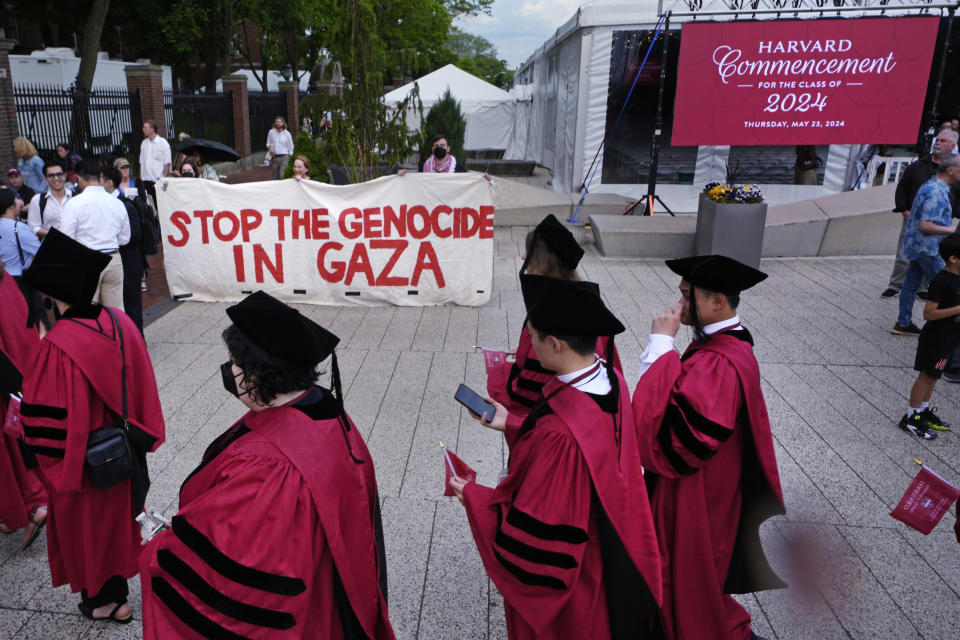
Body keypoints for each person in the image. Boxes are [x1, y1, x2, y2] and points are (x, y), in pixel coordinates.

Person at [140, 291, 396, 639]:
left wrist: (162, 550)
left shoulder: (268, 466)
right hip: (331, 580)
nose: (229, 370)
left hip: (310, 611)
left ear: (259, 375)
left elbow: (244, 573)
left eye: (234, 362)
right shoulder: (325, 408)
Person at [450, 274, 661, 639]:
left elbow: (535, 540)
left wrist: (474, 496)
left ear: (556, 344)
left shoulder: (558, 436)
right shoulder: (612, 381)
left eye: (532, 336)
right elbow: (589, 448)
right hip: (616, 545)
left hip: (580, 578)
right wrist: (512, 424)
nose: (528, 345)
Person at [632, 254, 785, 640]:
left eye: (687, 296)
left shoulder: (718, 362)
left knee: (686, 566)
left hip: (697, 487)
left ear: (717, 301)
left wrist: (661, 345)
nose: (680, 305)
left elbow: (678, 442)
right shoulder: (727, 346)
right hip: (717, 477)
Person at [20, 228, 165, 624]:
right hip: (125, 450)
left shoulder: (57, 346)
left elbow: (43, 422)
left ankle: (104, 602)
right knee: (120, 519)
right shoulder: (120, 322)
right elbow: (142, 385)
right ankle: (120, 595)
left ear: (51, 296)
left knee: (90, 529)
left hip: (84, 462)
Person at [486, 214, 621, 418]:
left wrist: (532, 350)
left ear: (543, 260)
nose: (523, 258)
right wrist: (526, 347)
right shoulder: (584, 300)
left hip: (546, 414)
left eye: (529, 253)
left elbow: (529, 395)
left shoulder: (551, 310)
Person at [0, 265, 47, 550]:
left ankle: (29, 507)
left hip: (6, 379)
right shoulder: (4, 277)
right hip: (18, 377)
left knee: (8, 454)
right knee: (18, 444)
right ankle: (33, 502)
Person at [882, 128, 960, 299]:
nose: (938, 143)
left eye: (943, 141)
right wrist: (903, 209)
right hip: (913, 219)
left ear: (952, 145)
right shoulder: (918, 166)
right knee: (904, 252)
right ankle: (895, 284)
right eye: (937, 140)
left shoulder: (954, 170)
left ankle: (924, 288)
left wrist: (953, 214)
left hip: (940, 223)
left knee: (933, 254)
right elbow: (902, 188)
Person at [898, 233, 960, 439]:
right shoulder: (942, 281)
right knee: (926, 376)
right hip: (936, 339)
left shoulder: (957, 278)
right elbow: (929, 313)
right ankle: (911, 418)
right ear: (953, 258)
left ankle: (922, 412)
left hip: (950, 339)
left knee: (934, 376)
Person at [895, 154, 960, 335]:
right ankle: (947, 327)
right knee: (948, 288)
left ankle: (903, 323)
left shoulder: (931, 185)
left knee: (910, 284)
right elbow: (927, 225)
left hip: (917, 246)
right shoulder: (936, 192)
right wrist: (953, 231)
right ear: (950, 169)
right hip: (929, 249)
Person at [59, 160, 131, 310]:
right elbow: (125, 238)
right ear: (100, 176)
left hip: (87, 260)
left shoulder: (73, 204)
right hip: (113, 257)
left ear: (78, 179)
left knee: (85, 312)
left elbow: (65, 240)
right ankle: (117, 334)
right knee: (117, 312)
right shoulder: (117, 203)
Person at [101, 167, 145, 333]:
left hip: (129, 264)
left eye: (100, 180)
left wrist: (112, 239)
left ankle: (138, 342)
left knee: (132, 307)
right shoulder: (106, 203)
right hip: (118, 264)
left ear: (109, 183)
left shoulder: (125, 204)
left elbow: (135, 235)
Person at [0, 188, 41, 279]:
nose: (21, 202)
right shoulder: (18, 227)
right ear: (11, 205)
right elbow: (41, 253)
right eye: (17, 199)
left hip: (2, 278)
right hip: (18, 279)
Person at [27, 162, 72, 238]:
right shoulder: (37, 200)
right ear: (45, 178)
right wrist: (55, 235)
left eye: (59, 174)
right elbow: (33, 227)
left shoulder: (76, 197)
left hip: (76, 245)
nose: (56, 178)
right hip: (50, 245)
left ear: (65, 175)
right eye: (51, 175)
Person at [139, 120, 171, 206]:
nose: (143, 129)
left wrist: (163, 179)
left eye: (145, 127)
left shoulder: (163, 143)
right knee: (149, 205)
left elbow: (167, 163)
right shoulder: (144, 143)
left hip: (158, 181)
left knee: (160, 205)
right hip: (146, 180)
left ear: (152, 129)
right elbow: (141, 162)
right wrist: (140, 180)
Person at [267, 116, 295, 180]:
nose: (278, 123)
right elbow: (268, 143)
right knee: (275, 177)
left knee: (282, 175)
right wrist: (270, 149)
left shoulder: (287, 134)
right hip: (274, 157)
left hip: (284, 157)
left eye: (280, 122)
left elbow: (291, 147)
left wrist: (290, 158)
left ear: (283, 123)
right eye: (276, 122)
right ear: (275, 123)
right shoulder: (271, 132)